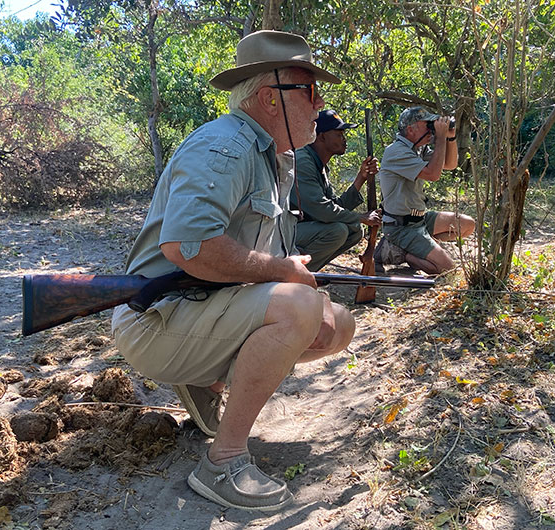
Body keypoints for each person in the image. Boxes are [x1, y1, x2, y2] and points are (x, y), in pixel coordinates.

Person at [110, 30, 356, 512]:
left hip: (200, 308)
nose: (320, 103)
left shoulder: (273, 157)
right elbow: (188, 245)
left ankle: (207, 382)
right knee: (300, 309)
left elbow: (264, 260)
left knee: (337, 324)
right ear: (269, 98)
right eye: (310, 91)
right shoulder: (225, 146)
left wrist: (291, 279)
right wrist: (284, 275)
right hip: (157, 317)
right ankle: (222, 463)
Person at [375, 106, 475, 274]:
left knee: (467, 225)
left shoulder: (418, 149)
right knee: (447, 269)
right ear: (410, 129)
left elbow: (450, 165)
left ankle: (423, 245)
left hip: (420, 221)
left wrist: (449, 138)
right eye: (426, 124)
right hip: (401, 227)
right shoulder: (397, 151)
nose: (431, 128)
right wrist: (440, 138)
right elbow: (433, 174)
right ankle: (402, 252)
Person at [291, 109, 381, 271]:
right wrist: (361, 217)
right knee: (337, 231)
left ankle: (306, 271)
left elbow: (336, 205)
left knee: (354, 230)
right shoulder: (303, 161)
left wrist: (361, 177)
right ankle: (293, 274)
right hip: (282, 232)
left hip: (300, 229)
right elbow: (323, 210)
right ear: (321, 136)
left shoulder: (319, 164)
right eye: (338, 134)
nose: (344, 140)